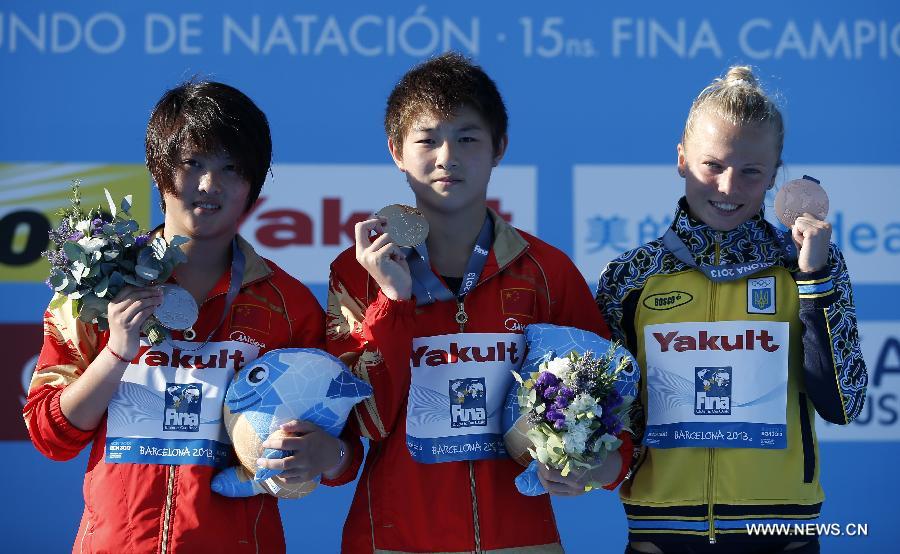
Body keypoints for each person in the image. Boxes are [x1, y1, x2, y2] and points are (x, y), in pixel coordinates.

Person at [24, 80, 355, 553]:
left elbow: (342, 455)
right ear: (159, 172)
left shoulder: (288, 303)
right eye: (191, 164)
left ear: (254, 186)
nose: (208, 185)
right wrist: (117, 352)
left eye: (230, 168)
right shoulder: (98, 289)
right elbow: (49, 435)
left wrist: (329, 456)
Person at [324, 52, 633, 554]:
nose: (447, 156)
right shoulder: (356, 272)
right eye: (427, 139)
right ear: (396, 151)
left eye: (467, 138)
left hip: (522, 540)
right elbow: (366, 422)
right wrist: (392, 300)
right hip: (392, 540)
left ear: (499, 148)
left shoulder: (546, 272)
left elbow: (614, 406)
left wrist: (597, 464)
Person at [596, 66, 868, 554]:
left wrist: (813, 282)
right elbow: (608, 417)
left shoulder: (806, 265)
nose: (727, 187)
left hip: (780, 534)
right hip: (662, 533)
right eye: (712, 166)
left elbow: (843, 405)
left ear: (774, 174)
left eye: (750, 172)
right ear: (681, 159)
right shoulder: (631, 276)